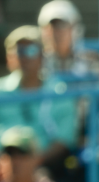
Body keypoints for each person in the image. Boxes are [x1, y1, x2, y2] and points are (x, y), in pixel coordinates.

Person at [0, 26, 79, 172]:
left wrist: (32, 165)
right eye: (18, 51)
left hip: (48, 168)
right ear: (8, 57)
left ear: (42, 56)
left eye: (31, 51)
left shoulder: (59, 91)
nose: (24, 57)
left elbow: (65, 139)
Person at [37, 0, 97, 78]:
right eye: (50, 27)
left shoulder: (91, 62)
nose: (55, 33)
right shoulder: (35, 64)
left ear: (74, 29)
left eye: (61, 26)